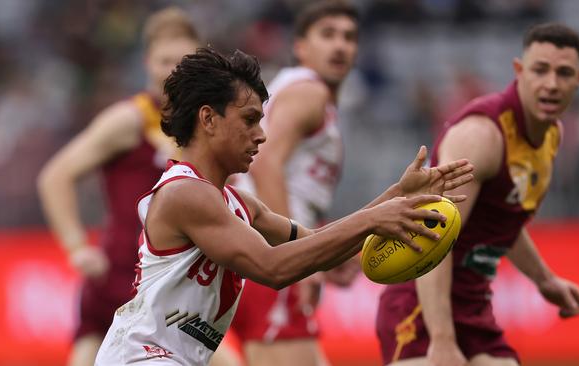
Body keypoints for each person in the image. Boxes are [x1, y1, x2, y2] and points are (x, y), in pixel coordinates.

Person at [93, 47, 474, 366]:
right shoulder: (186, 195)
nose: (261, 135)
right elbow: (273, 268)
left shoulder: (239, 204)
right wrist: (375, 218)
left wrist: (394, 199)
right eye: (250, 120)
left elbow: (319, 247)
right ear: (207, 119)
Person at [376, 23, 579, 366]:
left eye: (563, 73)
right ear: (519, 71)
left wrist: (545, 280)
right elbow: (434, 235)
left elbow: (502, 221)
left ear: (578, 80)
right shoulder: (482, 136)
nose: (551, 84)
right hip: (421, 306)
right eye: (540, 70)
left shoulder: (551, 135)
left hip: (473, 305)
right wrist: (443, 340)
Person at [36, 7, 200, 366]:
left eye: (184, 61)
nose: (173, 71)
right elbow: (55, 176)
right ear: (147, 63)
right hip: (120, 277)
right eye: (164, 60)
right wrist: (76, 246)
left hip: (172, 283)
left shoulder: (202, 127)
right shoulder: (128, 120)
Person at [226, 2, 360, 365]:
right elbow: (265, 164)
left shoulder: (296, 91)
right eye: (327, 35)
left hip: (254, 245)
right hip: (268, 253)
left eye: (348, 37)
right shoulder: (309, 93)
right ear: (301, 47)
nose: (340, 46)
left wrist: (326, 253)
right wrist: (300, 258)